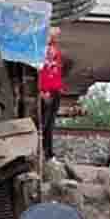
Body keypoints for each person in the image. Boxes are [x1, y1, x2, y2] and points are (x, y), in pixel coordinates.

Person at [39, 27, 64, 162]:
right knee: (45, 123)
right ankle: (45, 153)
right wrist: (43, 91)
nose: (57, 37)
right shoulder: (44, 49)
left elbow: (55, 69)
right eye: (55, 34)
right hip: (48, 91)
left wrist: (59, 87)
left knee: (50, 123)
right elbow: (43, 70)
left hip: (55, 90)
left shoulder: (54, 48)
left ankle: (48, 152)